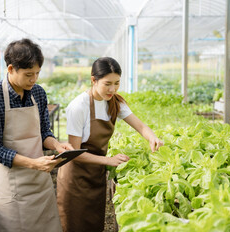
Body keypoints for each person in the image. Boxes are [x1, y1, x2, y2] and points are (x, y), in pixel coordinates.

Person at [56, 57, 164, 232]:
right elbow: (74, 153)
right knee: (74, 225)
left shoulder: (114, 102)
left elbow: (141, 126)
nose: (112, 89)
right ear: (93, 80)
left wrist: (153, 138)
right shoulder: (78, 106)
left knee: (94, 224)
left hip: (95, 176)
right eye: (107, 84)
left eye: (117, 83)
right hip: (75, 179)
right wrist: (108, 160)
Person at [0, 38, 72, 232]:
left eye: (37, 73)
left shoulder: (38, 93)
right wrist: (34, 163)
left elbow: (44, 131)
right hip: (12, 188)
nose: (34, 79)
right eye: (29, 74)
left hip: (40, 185)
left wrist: (56, 145)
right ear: (11, 69)